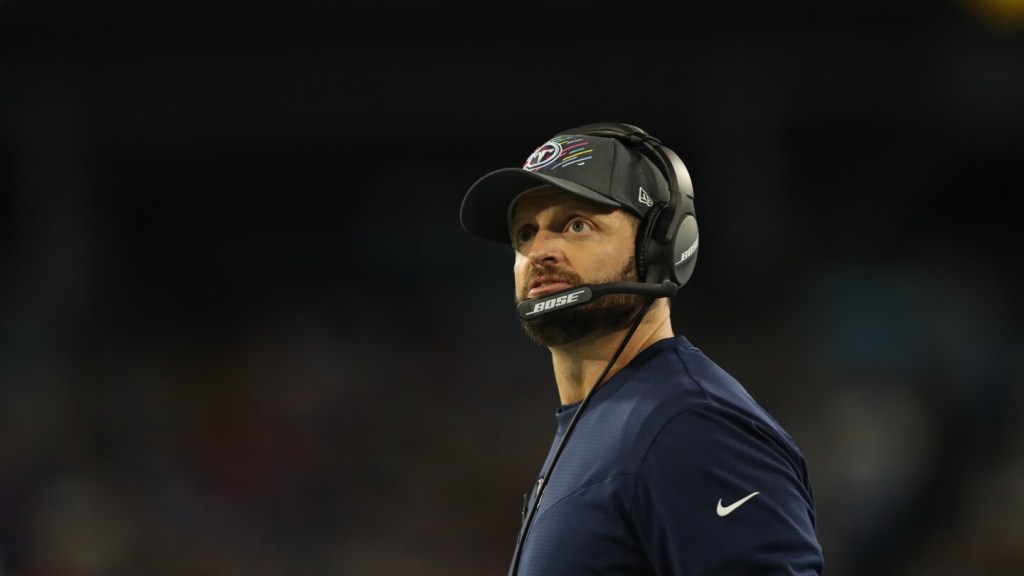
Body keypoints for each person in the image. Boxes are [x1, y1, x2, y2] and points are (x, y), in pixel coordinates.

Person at [458, 122, 824, 575]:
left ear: (661, 247)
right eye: (526, 233)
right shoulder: (599, 425)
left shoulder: (692, 425)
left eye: (577, 224)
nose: (540, 251)